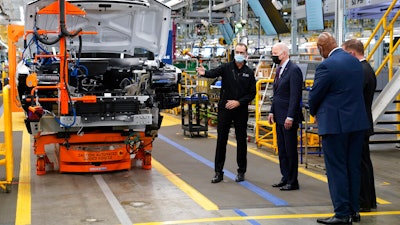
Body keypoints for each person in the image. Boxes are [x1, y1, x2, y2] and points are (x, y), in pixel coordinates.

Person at [308, 32, 369, 224]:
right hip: (357, 123)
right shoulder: (355, 63)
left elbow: (315, 95)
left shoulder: (326, 65)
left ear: (322, 48)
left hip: (335, 125)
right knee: (353, 167)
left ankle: (342, 214)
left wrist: (314, 112)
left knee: (337, 169)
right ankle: (353, 210)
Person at [196, 43, 256, 183]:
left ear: (246, 54)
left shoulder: (249, 72)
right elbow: (213, 73)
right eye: (237, 51)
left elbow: (252, 93)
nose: (239, 54)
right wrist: (204, 73)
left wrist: (239, 102)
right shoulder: (226, 67)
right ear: (234, 53)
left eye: (242, 52)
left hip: (240, 110)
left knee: (241, 141)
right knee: (221, 140)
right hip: (225, 109)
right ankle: (218, 172)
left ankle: (241, 172)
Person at [342, 39, 377, 212]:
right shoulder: (366, 69)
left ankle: (363, 201)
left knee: (360, 164)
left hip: (359, 124)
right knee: (364, 163)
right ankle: (369, 199)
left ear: (351, 54)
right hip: (364, 122)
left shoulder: (361, 71)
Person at [267, 42, 303, 191]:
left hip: (288, 117)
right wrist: (271, 111)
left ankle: (293, 181)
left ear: (284, 53)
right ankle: (285, 177)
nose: (273, 56)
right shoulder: (279, 69)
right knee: (282, 149)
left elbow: (295, 96)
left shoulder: (293, 70)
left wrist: (290, 116)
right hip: (279, 116)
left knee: (290, 150)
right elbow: (276, 94)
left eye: (275, 54)